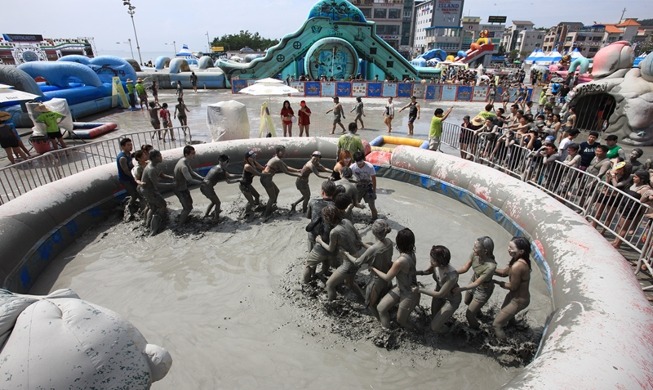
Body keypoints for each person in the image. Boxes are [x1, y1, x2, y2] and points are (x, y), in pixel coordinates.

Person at [343, 219, 393, 319]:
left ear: (373, 232)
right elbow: (374, 249)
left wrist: (346, 254)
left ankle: (381, 321)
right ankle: (388, 315)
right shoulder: (389, 242)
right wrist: (362, 244)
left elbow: (357, 262)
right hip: (388, 276)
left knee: (370, 304)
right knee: (382, 299)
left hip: (376, 280)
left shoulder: (373, 249)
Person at [371, 228, 420, 330]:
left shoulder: (400, 261)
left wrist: (373, 269)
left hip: (409, 294)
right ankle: (386, 330)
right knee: (381, 308)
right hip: (402, 288)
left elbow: (387, 277)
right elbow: (403, 269)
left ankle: (418, 331)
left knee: (401, 321)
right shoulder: (411, 254)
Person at [315, 204, 365, 301]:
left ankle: (331, 303)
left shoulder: (334, 232)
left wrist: (320, 241)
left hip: (349, 263)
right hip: (358, 258)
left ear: (328, 218)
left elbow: (330, 249)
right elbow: (359, 238)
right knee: (349, 283)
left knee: (329, 285)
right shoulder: (347, 221)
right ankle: (365, 300)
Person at [492, 237, 532, 340]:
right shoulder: (517, 259)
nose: (508, 249)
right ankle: (514, 328)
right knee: (505, 314)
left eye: (511, 247)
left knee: (496, 324)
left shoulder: (518, 266)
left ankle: (505, 348)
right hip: (513, 297)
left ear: (521, 251)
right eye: (508, 246)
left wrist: (497, 282)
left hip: (519, 301)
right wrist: (490, 269)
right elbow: (504, 273)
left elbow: (513, 287)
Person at [417, 245, 461, 334]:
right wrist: (416, 273)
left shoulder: (451, 275)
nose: (430, 260)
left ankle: (451, 332)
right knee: (433, 317)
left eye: (432, 259)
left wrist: (420, 289)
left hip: (451, 300)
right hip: (439, 292)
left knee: (434, 327)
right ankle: (446, 322)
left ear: (439, 262)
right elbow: (428, 271)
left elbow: (440, 294)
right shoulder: (435, 265)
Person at [456, 236, 497, 329]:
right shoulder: (475, 254)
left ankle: (477, 330)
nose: (473, 249)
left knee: (469, 315)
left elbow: (478, 283)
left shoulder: (491, 266)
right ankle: (479, 315)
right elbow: (465, 268)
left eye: (476, 247)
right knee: (467, 301)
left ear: (485, 251)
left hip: (484, 289)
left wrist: (461, 289)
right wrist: (453, 272)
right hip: (473, 280)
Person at [611, 170, 653, 249]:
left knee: (624, 227)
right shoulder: (633, 184)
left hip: (631, 209)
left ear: (642, 179)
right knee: (619, 225)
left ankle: (617, 244)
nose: (633, 178)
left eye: (636, 177)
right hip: (624, 206)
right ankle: (615, 241)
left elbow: (645, 200)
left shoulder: (645, 188)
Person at [140, 149, 175, 236]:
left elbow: (161, 175)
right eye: (159, 156)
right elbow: (157, 185)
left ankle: (147, 225)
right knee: (161, 206)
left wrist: (172, 178)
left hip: (149, 190)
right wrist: (172, 185)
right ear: (155, 158)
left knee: (152, 207)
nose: (161, 157)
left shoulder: (155, 165)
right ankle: (153, 230)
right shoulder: (151, 169)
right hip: (149, 191)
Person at [261, 145, 301, 220]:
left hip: (266, 178)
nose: (284, 153)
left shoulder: (277, 159)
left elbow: (286, 167)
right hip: (266, 179)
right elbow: (286, 172)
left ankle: (272, 206)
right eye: (282, 152)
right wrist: (298, 175)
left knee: (277, 191)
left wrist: (297, 170)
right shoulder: (277, 160)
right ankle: (266, 215)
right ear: (277, 152)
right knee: (272, 197)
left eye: (284, 151)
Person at [200, 154, 241, 221]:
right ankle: (216, 219)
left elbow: (229, 175)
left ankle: (206, 215)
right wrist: (239, 180)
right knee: (218, 203)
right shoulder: (221, 170)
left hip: (203, 186)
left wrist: (241, 175)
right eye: (228, 161)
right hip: (208, 188)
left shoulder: (217, 167)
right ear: (226, 162)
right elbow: (229, 181)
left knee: (214, 202)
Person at [173, 145, 205, 225]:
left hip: (183, 187)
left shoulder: (185, 161)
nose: (194, 155)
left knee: (189, 205)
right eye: (192, 153)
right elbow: (190, 180)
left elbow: (192, 172)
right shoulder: (183, 166)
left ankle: (182, 220)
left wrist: (202, 178)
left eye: (194, 153)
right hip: (179, 189)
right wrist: (202, 183)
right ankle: (180, 225)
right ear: (186, 154)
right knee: (187, 208)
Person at [305, 180, 337, 252]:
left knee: (311, 251)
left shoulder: (312, 202)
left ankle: (310, 256)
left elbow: (308, 217)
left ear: (322, 192)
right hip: (327, 236)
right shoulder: (336, 205)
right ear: (334, 192)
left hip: (313, 233)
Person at [116, 138, 142, 216]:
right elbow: (126, 171)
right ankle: (128, 206)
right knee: (134, 194)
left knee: (138, 192)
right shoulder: (122, 158)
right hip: (126, 179)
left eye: (131, 144)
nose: (130, 146)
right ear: (123, 147)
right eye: (128, 145)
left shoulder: (129, 154)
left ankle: (133, 204)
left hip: (131, 178)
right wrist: (136, 178)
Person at [350, 151, 378, 221]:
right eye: (357, 162)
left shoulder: (370, 167)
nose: (359, 164)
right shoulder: (352, 167)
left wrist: (374, 191)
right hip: (358, 187)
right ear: (355, 161)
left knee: (372, 205)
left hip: (368, 187)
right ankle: (348, 215)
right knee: (352, 203)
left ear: (364, 159)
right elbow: (348, 178)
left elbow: (374, 180)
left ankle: (374, 219)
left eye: (361, 162)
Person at [239, 150, 266, 215]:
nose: (254, 157)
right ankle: (245, 214)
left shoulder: (254, 162)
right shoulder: (247, 166)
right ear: (248, 158)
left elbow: (262, 168)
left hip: (248, 184)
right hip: (244, 185)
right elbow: (258, 174)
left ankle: (256, 209)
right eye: (253, 156)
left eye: (254, 155)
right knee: (251, 202)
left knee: (257, 196)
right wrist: (268, 174)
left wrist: (269, 166)